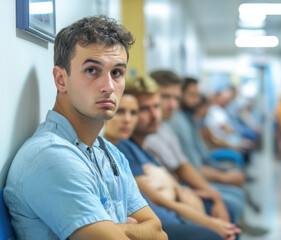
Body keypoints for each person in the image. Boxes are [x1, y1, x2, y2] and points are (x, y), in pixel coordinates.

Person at [3, 16, 167, 240]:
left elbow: (158, 232)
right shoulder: (51, 156)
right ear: (61, 79)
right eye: (92, 70)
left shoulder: (109, 152)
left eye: (116, 73)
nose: (108, 87)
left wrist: (118, 229)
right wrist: (125, 228)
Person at [103, 77, 226, 240]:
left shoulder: (132, 151)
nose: (127, 119)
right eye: (120, 111)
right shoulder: (118, 150)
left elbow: (175, 187)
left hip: (162, 219)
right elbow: (156, 199)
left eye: (132, 112)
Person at [143, 70, 244, 227]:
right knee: (230, 207)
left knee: (232, 200)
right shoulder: (147, 133)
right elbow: (178, 173)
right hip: (174, 194)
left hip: (180, 189)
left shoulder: (165, 129)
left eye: (175, 98)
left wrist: (213, 194)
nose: (172, 105)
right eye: (165, 97)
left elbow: (183, 165)